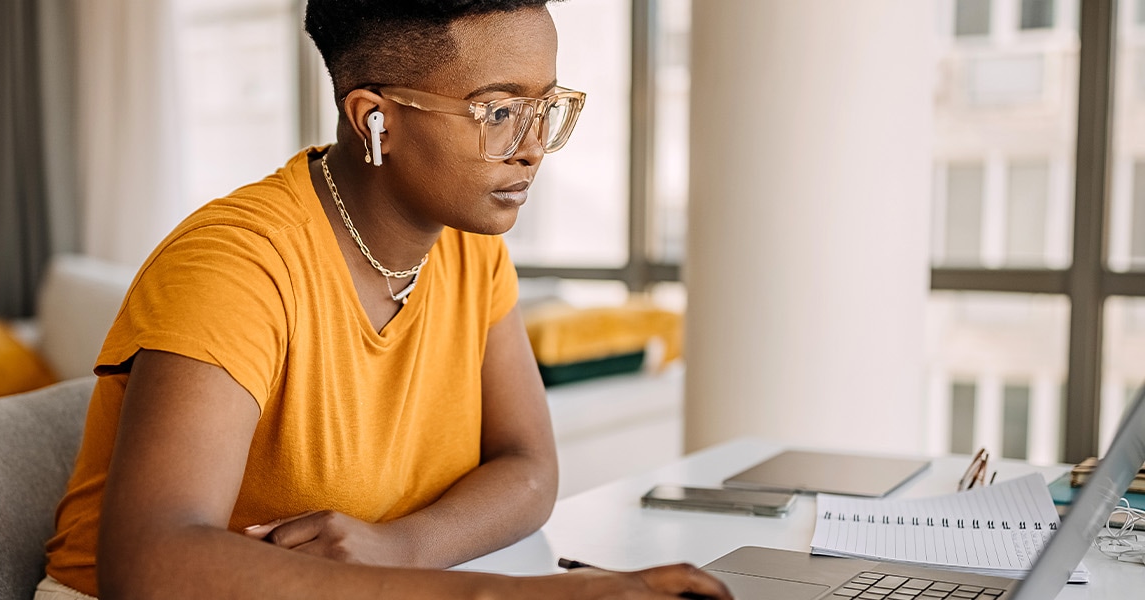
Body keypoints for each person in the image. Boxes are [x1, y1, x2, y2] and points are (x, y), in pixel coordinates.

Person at [41, 1, 734, 598]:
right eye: (498, 111)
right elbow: (151, 567)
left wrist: (401, 546)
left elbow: (528, 468)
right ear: (375, 120)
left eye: (545, 107)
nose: (533, 149)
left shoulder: (472, 247)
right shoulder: (235, 265)